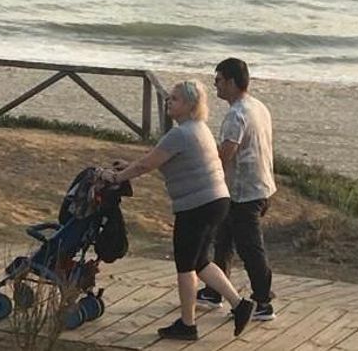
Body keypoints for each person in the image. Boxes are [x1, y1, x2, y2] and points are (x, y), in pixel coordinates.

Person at [101, 81, 255, 340]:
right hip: (217, 201)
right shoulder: (198, 129)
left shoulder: (180, 134)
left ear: (189, 105)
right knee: (200, 262)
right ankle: (240, 305)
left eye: (175, 99)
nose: (168, 102)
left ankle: (187, 324)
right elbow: (155, 161)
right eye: (169, 98)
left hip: (198, 206)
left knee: (185, 265)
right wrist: (127, 166)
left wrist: (115, 178)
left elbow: (145, 166)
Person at [197, 58, 276, 321]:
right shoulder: (258, 106)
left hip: (245, 192)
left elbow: (226, 154)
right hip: (255, 186)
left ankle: (263, 301)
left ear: (231, 82)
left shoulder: (236, 114)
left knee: (249, 247)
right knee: (223, 240)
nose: (215, 85)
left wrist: (204, 172)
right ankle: (215, 290)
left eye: (218, 80)